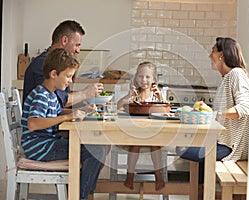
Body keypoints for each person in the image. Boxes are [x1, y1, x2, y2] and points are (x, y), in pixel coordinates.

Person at [21, 48, 109, 200]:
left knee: (98, 148)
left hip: (46, 144)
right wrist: (67, 118)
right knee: (97, 151)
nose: (70, 81)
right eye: (68, 76)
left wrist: (81, 110)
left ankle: (78, 192)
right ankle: (80, 196)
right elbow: (33, 123)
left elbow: (55, 113)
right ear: (54, 74)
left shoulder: (51, 94)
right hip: (40, 147)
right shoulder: (42, 94)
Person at [176, 37, 249, 200]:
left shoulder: (236, 74)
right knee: (189, 150)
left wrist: (215, 114)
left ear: (221, 56)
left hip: (231, 148)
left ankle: (203, 194)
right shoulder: (228, 77)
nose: (210, 55)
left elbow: (244, 108)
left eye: (213, 51)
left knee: (182, 149)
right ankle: (200, 195)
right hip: (221, 142)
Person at [23, 20, 102, 108]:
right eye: (77, 45)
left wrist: (87, 103)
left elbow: (59, 104)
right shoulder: (43, 64)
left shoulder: (57, 62)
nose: (78, 51)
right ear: (64, 40)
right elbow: (59, 100)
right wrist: (85, 94)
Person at [118, 61, 166, 191]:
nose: (143, 80)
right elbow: (118, 106)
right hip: (135, 131)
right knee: (135, 143)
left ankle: (158, 175)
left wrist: (161, 98)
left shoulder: (157, 94)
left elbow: (166, 110)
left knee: (155, 144)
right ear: (136, 78)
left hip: (153, 131)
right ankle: (130, 175)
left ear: (154, 79)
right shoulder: (134, 94)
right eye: (140, 76)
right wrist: (128, 96)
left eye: (147, 77)